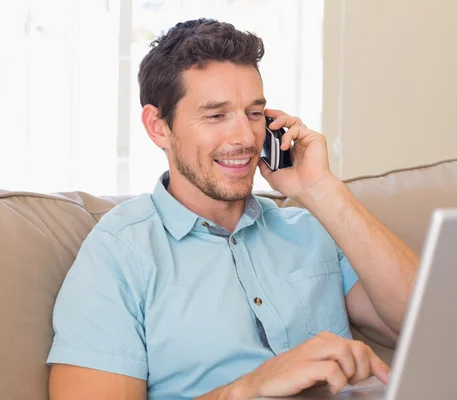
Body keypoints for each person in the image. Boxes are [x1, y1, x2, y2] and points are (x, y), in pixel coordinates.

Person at [47, 18, 419, 400]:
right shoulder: (120, 253)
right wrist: (246, 390)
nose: (245, 137)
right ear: (158, 126)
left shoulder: (312, 229)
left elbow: (432, 328)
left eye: (254, 113)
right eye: (215, 115)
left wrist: (321, 189)